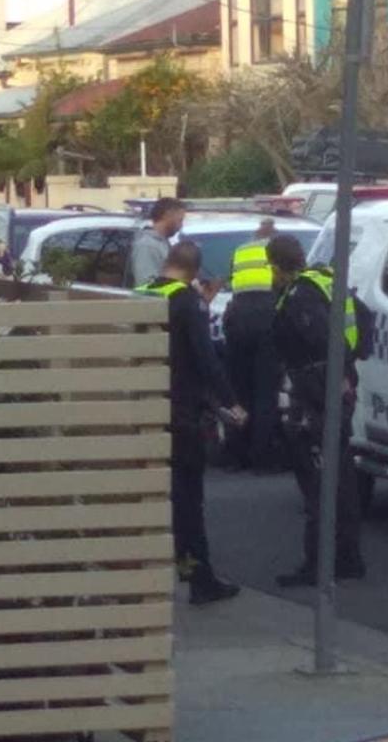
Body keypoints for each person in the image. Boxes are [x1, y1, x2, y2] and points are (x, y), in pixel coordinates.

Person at [136, 240, 247, 605]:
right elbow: (204, 359)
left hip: (143, 411)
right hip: (182, 414)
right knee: (187, 501)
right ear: (195, 271)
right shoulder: (188, 302)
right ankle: (199, 577)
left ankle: (143, 577)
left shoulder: (141, 293)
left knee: (148, 498)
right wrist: (231, 401)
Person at [266, 234, 366, 587]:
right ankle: (348, 558)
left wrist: (330, 379)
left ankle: (318, 564)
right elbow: (364, 332)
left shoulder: (301, 296)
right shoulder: (327, 281)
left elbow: (325, 340)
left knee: (318, 481)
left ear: (276, 266)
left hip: (317, 392)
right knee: (341, 476)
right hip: (337, 387)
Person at [223, 218, 283, 472]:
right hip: (268, 319)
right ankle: (262, 458)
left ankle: (236, 455)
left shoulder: (241, 251)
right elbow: (283, 285)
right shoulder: (277, 252)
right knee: (265, 393)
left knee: (239, 391)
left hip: (238, 319)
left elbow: (233, 283)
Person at [128, 197, 186, 287]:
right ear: (167, 215)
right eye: (180, 220)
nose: (181, 225)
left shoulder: (163, 243)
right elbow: (147, 287)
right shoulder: (147, 246)